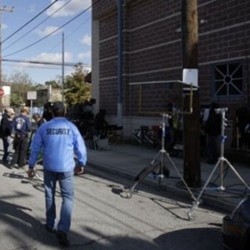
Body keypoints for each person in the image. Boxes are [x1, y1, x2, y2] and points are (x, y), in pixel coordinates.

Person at [27, 101, 87, 247]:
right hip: (66, 167)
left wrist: (31, 165)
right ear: (65, 112)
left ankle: (50, 224)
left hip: (49, 166)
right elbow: (81, 147)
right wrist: (81, 163)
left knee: (49, 194)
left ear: (52, 113)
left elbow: (35, 147)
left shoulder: (44, 127)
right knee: (67, 197)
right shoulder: (71, 127)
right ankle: (63, 228)